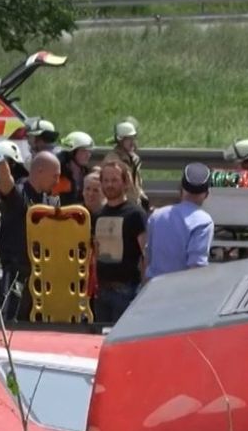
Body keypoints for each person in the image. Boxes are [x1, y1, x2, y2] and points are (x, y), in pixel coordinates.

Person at [0, 149, 61, 322]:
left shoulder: (47, 200)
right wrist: (0, 160)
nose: (57, 181)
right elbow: (6, 183)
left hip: (39, 272)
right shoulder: (20, 192)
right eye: (54, 176)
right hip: (17, 270)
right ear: (40, 171)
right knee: (9, 319)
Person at [91, 160, 148, 323]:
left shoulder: (135, 214)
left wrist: (144, 289)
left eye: (114, 180)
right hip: (101, 292)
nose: (110, 185)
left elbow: (146, 253)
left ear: (125, 182)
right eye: (106, 180)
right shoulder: (98, 215)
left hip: (126, 291)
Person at [144, 163, 214, 280]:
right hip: (180, 292)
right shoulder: (203, 222)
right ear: (206, 194)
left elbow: (147, 259)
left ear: (180, 189)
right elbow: (196, 266)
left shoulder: (156, 216)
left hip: (153, 290)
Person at [110, 118, 148, 210]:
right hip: (121, 207)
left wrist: (143, 198)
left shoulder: (134, 159)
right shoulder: (113, 161)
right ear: (120, 140)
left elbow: (136, 186)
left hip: (134, 206)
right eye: (128, 139)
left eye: (133, 138)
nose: (132, 142)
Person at [54, 131, 94, 207]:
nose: (88, 155)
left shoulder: (87, 174)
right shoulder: (58, 177)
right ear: (71, 152)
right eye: (83, 151)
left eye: (89, 151)